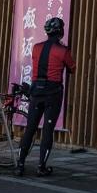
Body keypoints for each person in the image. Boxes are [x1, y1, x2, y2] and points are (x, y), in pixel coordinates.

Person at [16, 16, 75, 177]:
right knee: (48, 130)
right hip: (53, 93)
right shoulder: (63, 51)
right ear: (60, 32)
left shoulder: (36, 48)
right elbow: (72, 67)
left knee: (30, 128)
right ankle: (41, 166)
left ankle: (20, 164)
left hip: (36, 92)